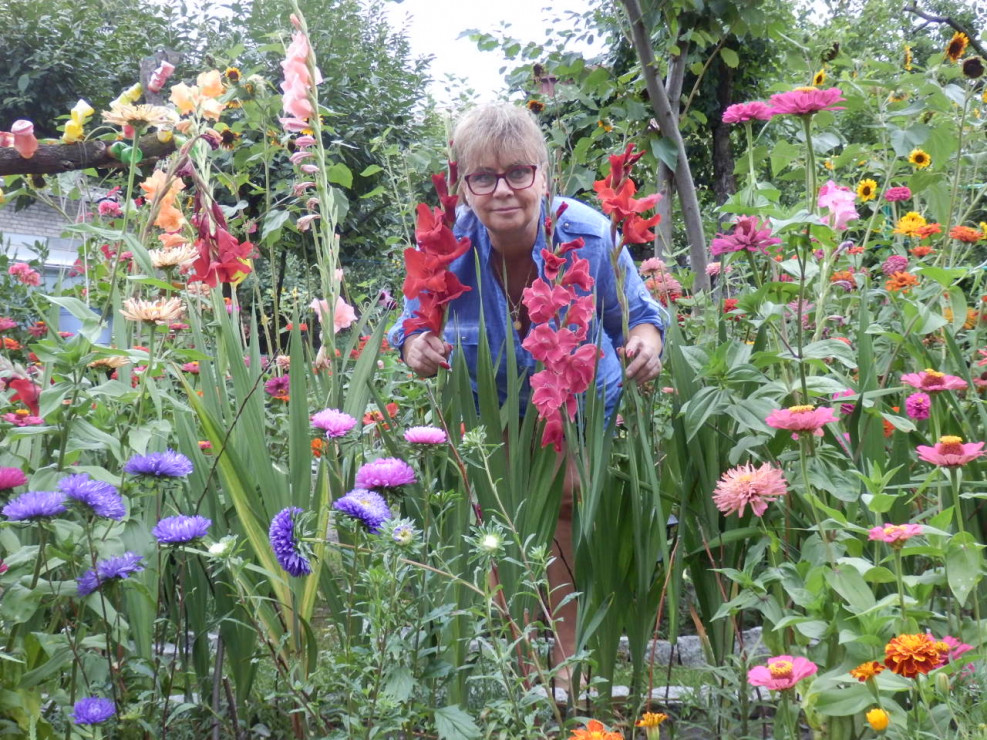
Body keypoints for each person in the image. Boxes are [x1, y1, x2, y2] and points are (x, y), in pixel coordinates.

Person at [388, 101, 667, 690]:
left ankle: (565, 660)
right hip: (484, 396)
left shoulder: (588, 234)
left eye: (519, 172)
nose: (503, 191)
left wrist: (645, 343)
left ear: (544, 171)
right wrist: (415, 345)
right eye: (483, 177)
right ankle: (515, 660)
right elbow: (413, 324)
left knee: (565, 500)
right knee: (500, 514)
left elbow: (636, 317)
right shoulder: (448, 243)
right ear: (463, 184)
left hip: (575, 393)